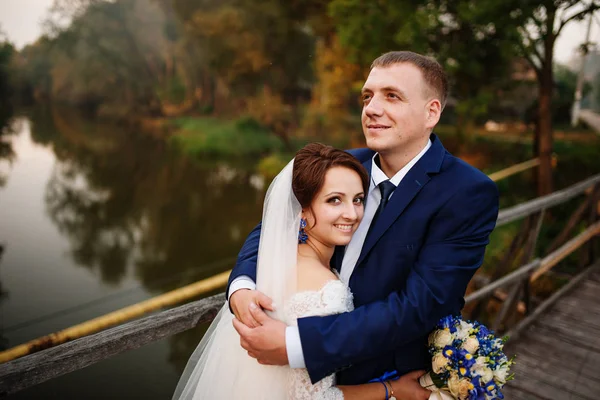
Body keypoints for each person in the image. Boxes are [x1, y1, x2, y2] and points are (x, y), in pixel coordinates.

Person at [228, 51, 500, 399]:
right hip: (299, 383)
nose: (371, 108)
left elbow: (420, 304)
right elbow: (273, 226)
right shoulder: (343, 164)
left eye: (392, 96)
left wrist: (295, 344)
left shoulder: (467, 192)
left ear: (432, 111)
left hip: (392, 381)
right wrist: (242, 287)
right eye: (367, 96)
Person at [173, 143, 419, 399]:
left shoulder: (278, 259)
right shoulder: (325, 291)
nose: (352, 214)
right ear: (301, 211)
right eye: (335, 200)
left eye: (358, 200)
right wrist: (391, 389)